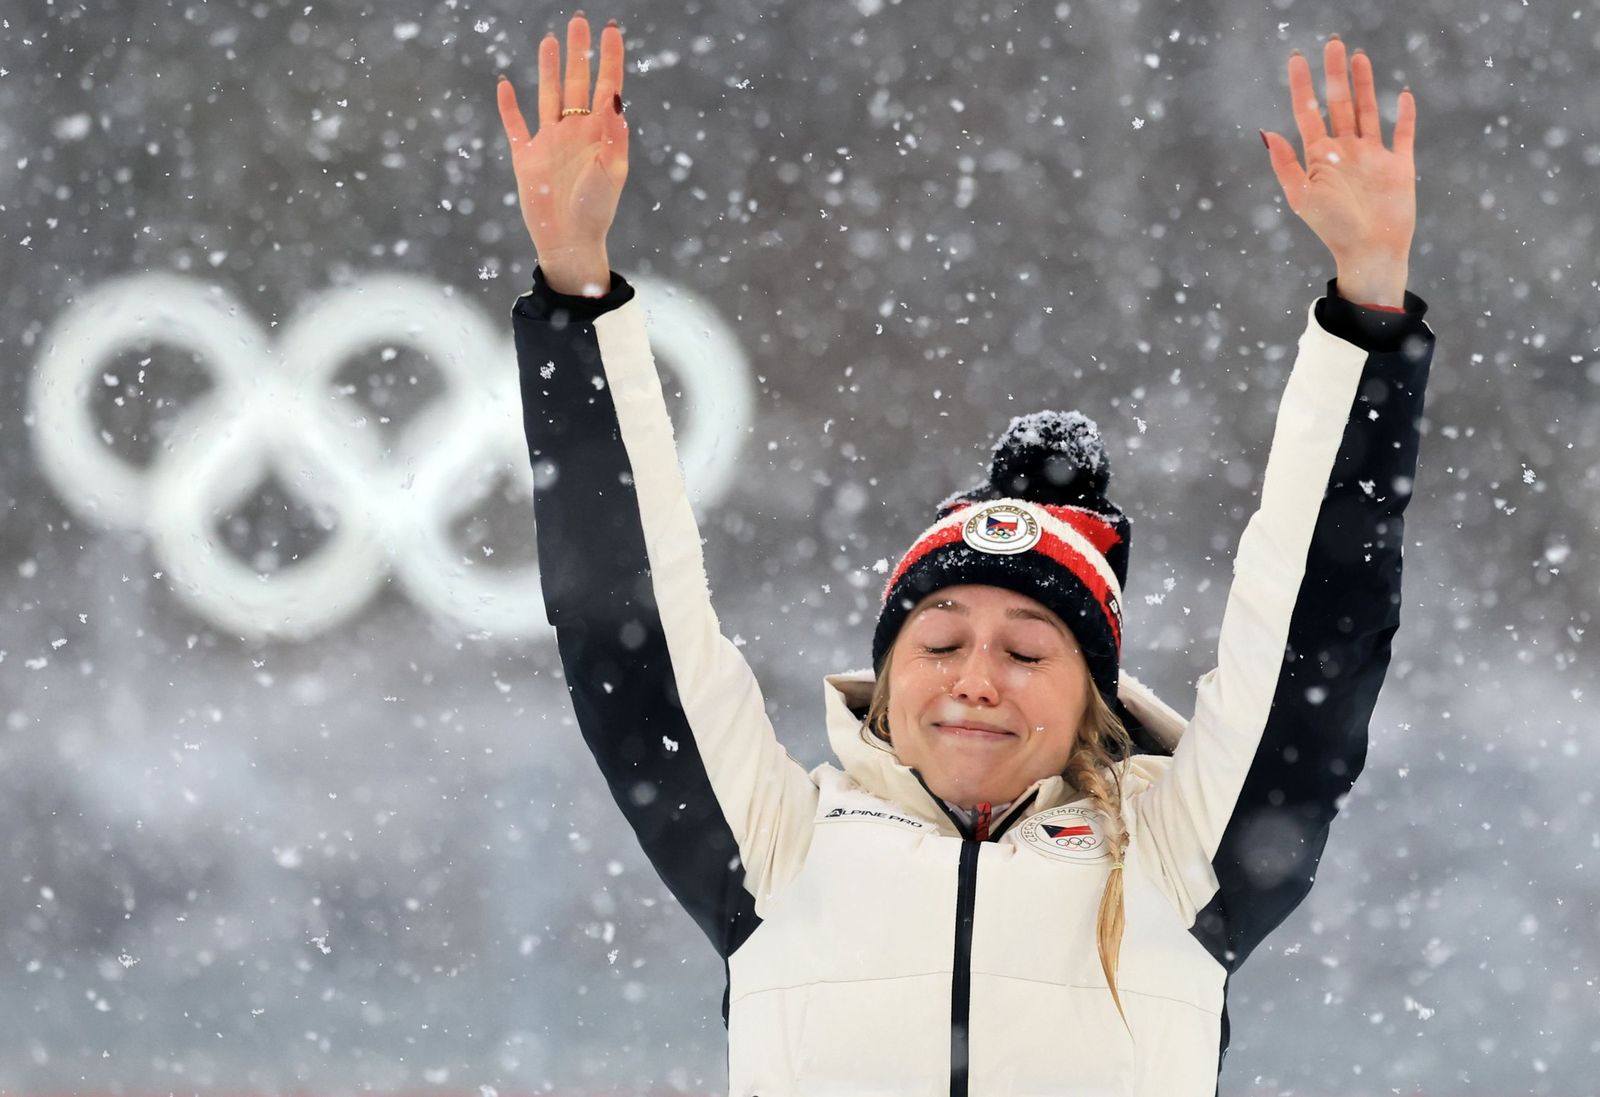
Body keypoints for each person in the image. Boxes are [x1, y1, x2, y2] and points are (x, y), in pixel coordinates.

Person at [497, 15, 1435, 1096]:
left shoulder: (1184, 857)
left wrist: (1368, 305)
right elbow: (630, 624)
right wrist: (573, 287)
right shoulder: (779, 848)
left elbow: (1315, 623)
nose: (975, 678)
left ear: (1095, 694)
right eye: (940, 638)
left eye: (1029, 650)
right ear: (887, 675)